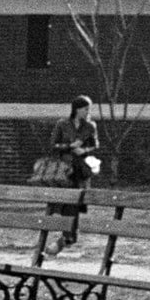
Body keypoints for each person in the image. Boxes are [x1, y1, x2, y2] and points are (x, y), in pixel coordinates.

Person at [50, 94, 101, 246]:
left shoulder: (90, 126)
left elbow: (95, 144)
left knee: (77, 201)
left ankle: (71, 234)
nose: (88, 112)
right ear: (77, 109)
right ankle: (68, 234)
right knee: (67, 201)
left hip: (81, 167)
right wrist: (69, 147)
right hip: (65, 167)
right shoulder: (62, 124)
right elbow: (53, 144)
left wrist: (84, 150)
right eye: (85, 109)